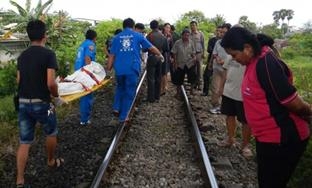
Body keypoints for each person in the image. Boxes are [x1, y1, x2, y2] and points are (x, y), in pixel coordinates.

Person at [221, 27, 312, 188]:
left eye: (234, 55)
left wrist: (309, 113)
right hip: (267, 138)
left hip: (283, 139)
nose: (233, 59)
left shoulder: (266, 64)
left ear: (247, 48)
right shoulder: (253, 61)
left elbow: (294, 102)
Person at [16, 20, 66, 187]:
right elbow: (51, 83)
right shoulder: (48, 54)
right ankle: (51, 161)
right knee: (51, 132)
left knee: (24, 142)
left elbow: (19, 81)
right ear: (45, 36)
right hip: (43, 104)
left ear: (29, 36)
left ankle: (20, 180)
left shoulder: (22, 56)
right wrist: (56, 97)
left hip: (23, 103)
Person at [106, 18, 163, 123]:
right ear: (133, 26)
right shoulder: (137, 36)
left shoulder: (116, 38)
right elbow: (151, 48)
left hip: (119, 69)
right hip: (132, 68)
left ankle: (116, 108)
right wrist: (160, 54)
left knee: (120, 88)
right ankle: (123, 116)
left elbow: (111, 55)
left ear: (123, 26)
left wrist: (108, 69)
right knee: (129, 92)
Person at [218, 25, 252, 158]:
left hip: (243, 94)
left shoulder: (248, 54)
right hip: (229, 91)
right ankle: (230, 139)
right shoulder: (230, 55)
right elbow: (225, 71)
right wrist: (221, 87)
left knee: (245, 121)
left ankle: (245, 145)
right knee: (229, 116)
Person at [74, 29, 97, 125]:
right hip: (85, 73)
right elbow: (88, 58)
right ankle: (84, 119)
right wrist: (91, 72)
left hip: (79, 71)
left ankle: (84, 118)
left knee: (84, 95)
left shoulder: (82, 44)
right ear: (94, 38)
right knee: (87, 96)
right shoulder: (91, 44)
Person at [209, 23, 232, 114]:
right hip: (217, 67)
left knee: (224, 89)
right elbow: (214, 53)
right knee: (215, 87)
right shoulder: (218, 42)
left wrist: (224, 62)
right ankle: (216, 105)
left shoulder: (232, 43)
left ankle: (223, 106)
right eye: (221, 32)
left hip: (227, 70)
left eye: (224, 32)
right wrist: (214, 61)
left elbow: (233, 56)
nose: (222, 34)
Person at [146, 20, 168, 103]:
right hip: (160, 58)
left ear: (151, 26)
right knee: (158, 77)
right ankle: (157, 96)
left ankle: (151, 98)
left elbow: (145, 48)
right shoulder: (163, 36)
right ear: (158, 26)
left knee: (151, 78)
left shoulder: (149, 36)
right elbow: (166, 49)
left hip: (152, 57)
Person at [171, 29, 196, 98]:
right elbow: (174, 53)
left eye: (188, 35)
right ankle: (178, 93)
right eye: (185, 35)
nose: (186, 37)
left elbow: (193, 52)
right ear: (182, 35)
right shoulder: (177, 42)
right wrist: (175, 63)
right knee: (178, 79)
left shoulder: (191, 42)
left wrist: (194, 58)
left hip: (189, 63)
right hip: (180, 63)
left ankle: (191, 91)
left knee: (192, 77)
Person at [202, 26, 222, 96]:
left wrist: (215, 52)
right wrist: (215, 51)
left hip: (220, 62)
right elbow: (209, 49)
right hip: (211, 60)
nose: (218, 32)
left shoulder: (224, 41)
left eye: (220, 31)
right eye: (217, 31)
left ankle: (217, 93)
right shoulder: (212, 40)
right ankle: (205, 91)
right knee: (206, 76)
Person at [190, 21, 205, 91]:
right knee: (193, 70)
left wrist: (203, 53)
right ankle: (194, 84)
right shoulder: (189, 34)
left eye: (194, 25)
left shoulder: (200, 34)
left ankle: (200, 85)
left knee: (199, 70)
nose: (192, 27)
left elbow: (203, 44)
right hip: (191, 55)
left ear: (196, 26)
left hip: (199, 53)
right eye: (191, 25)